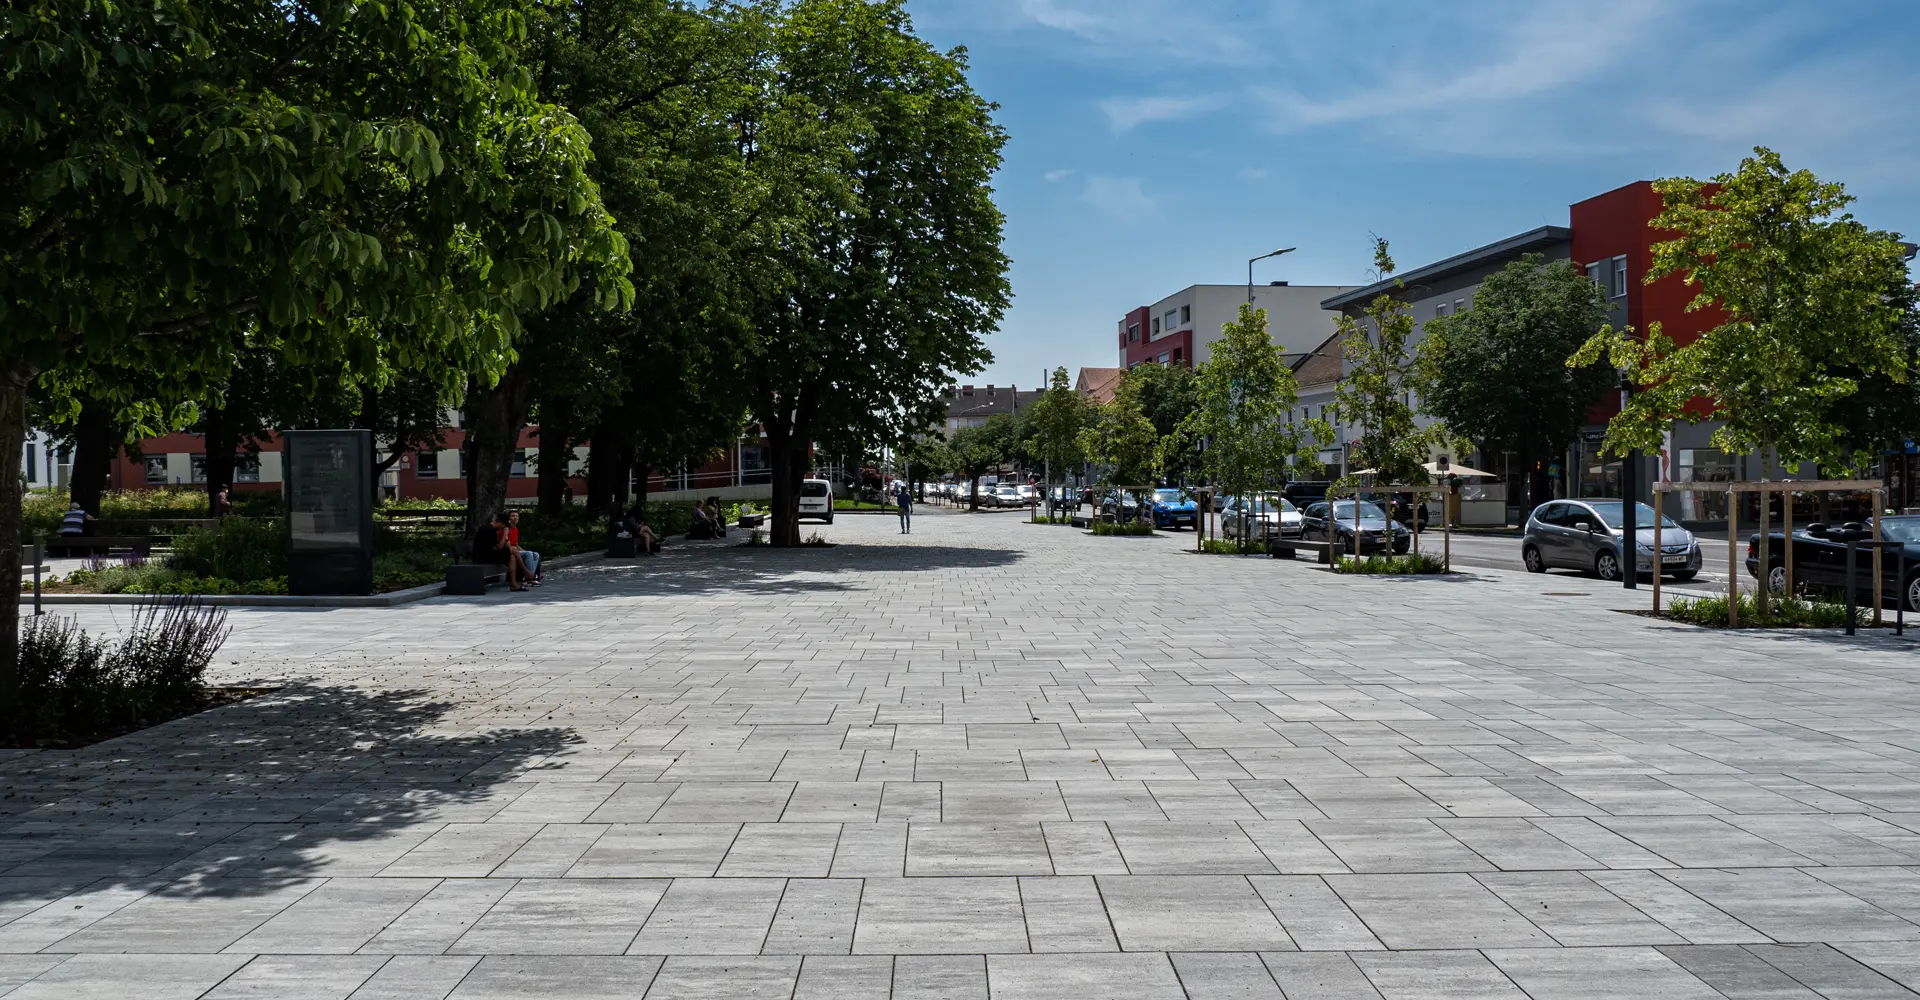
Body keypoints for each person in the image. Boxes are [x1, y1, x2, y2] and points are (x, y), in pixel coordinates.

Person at [472, 512, 523, 591]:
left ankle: (513, 584)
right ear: (501, 523)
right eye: (503, 527)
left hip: (485, 554)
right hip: (484, 557)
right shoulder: (490, 530)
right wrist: (505, 535)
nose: (502, 529)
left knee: (512, 557)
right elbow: (499, 547)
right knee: (513, 550)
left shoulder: (486, 528)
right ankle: (525, 572)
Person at [506, 510, 541, 585]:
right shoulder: (507, 529)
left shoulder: (515, 529)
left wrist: (524, 551)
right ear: (509, 518)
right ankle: (531, 578)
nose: (515, 517)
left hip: (516, 549)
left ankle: (529, 575)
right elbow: (508, 545)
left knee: (535, 554)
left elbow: (516, 544)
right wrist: (526, 553)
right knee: (528, 554)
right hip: (510, 551)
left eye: (516, 516)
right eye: (513, 516)